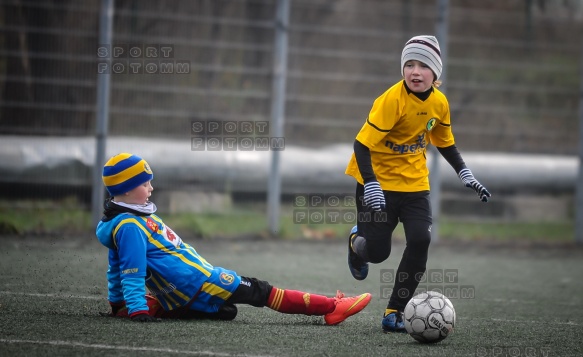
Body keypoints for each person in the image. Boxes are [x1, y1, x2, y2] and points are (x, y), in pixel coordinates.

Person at [96, 153, 371, 324]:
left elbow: (116, 264)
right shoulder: (130, 226)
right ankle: (332, 307)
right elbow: (128, 270)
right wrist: (134, 309)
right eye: (145, 183)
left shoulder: (133, 217)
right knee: (261, 291)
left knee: (227, 312)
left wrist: (116, 304)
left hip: (190, 287)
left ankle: (164, 306)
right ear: (128, 189)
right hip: (199, 282)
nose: (151, 187)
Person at [344, 35, 491, 333]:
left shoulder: (439, 103)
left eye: (423, 65)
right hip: (377, 186)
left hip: (414, 187)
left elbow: (445, 143)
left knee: (421, 241)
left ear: (436, 73)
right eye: (409, 64)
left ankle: (393, 312)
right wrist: (371, 183)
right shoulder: (390, 101)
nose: (415, 71)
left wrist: (465, 173)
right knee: (378, 253)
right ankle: (355, 243)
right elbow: (361, 145)